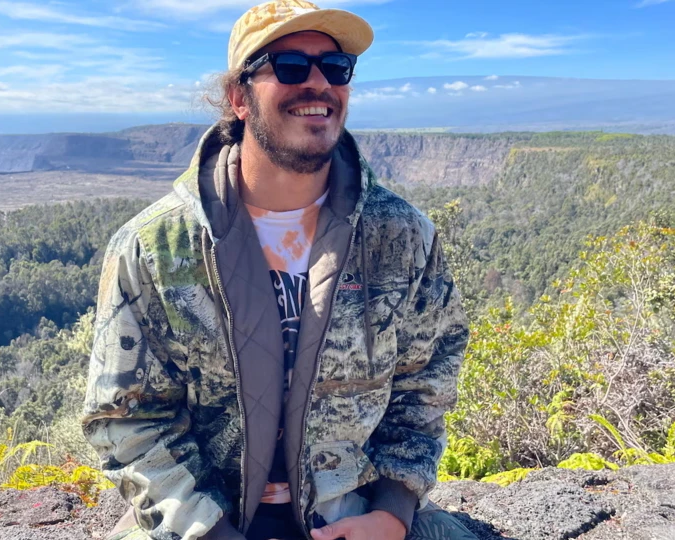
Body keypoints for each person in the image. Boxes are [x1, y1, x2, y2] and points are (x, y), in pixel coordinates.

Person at [80, 1, 475, 539]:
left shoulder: (402, 238)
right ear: (239, 97)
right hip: (202, 523)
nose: (319, 84)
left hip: (357, 514)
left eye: (336, 68)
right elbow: (126, 420)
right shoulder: (153, 248)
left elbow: (425, 385)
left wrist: (391, 512)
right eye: (290, 66)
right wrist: (207, 530)